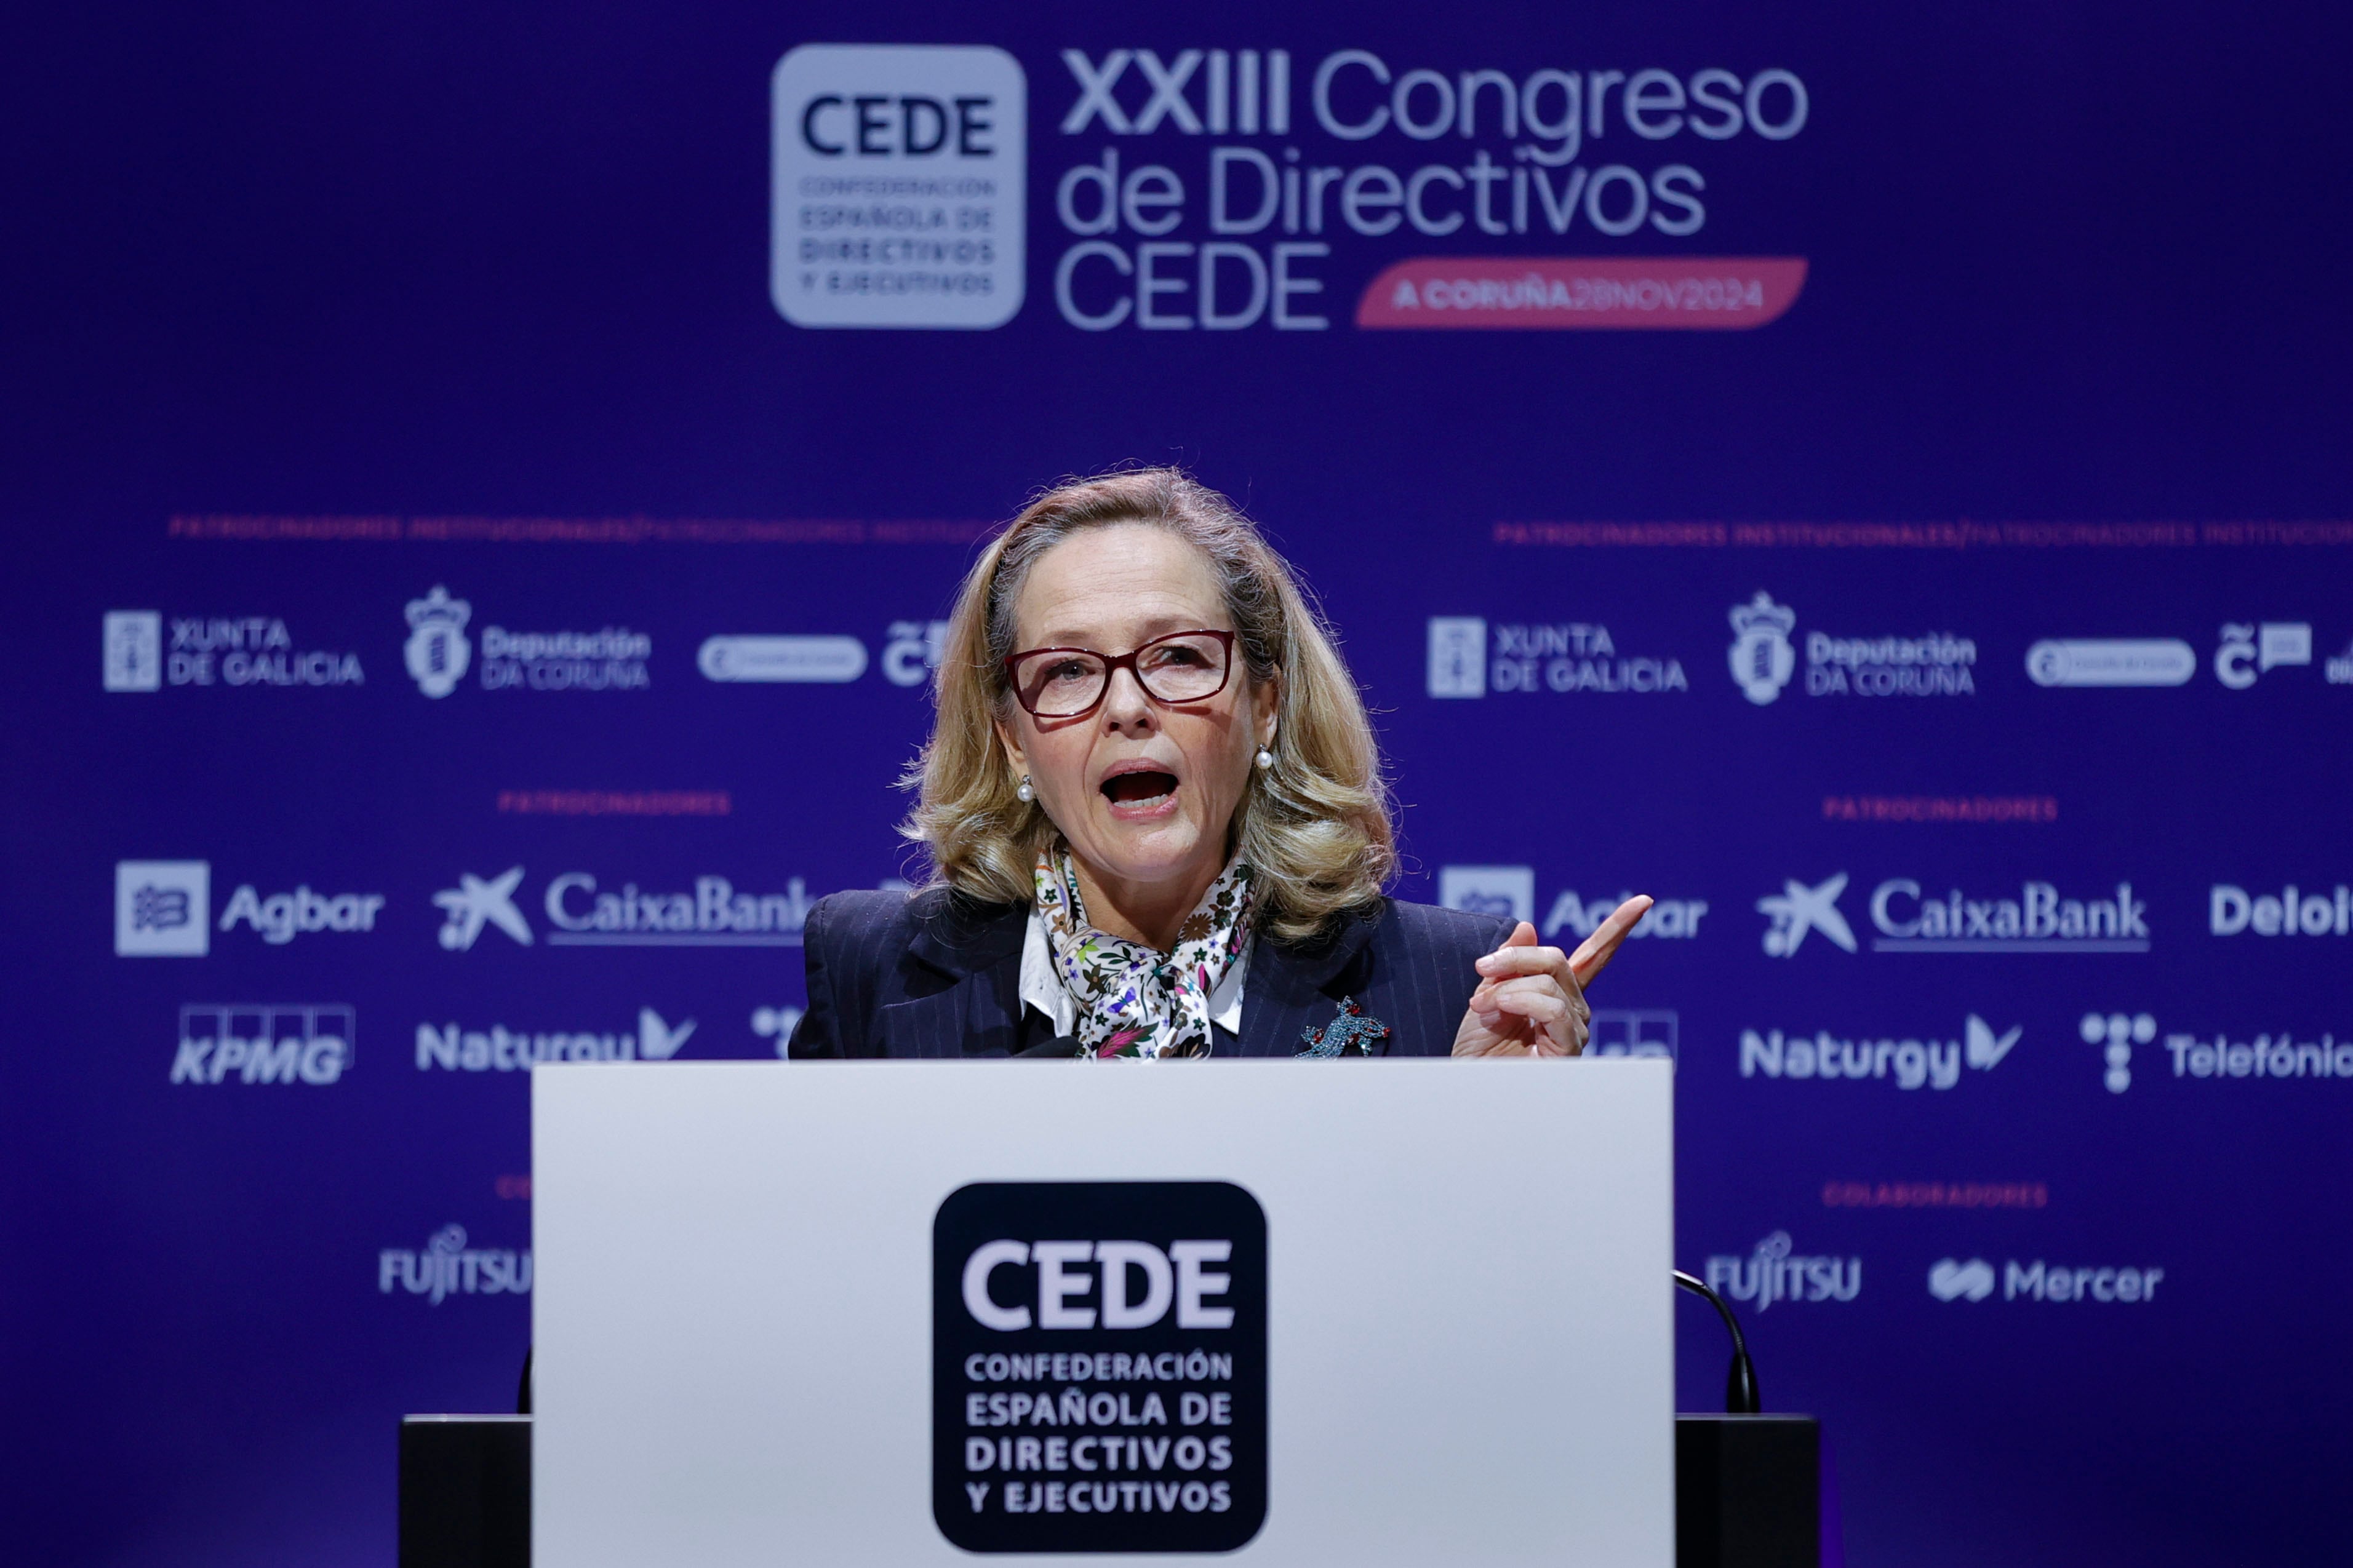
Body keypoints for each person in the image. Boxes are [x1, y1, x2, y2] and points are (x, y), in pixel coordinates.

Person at [788, 469, 1649, 1061]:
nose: (1127, 705)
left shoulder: (1450, 989)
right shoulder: (872, 971)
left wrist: (1509, 1137)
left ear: (1265, 704)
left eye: (1179, 657)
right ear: (1014, 738)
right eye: (1068, 670)